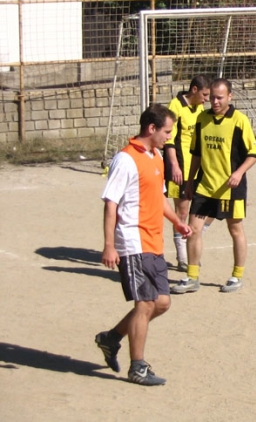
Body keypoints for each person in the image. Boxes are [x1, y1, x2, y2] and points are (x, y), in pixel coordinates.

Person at [95, 104, 192, 386]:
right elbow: (111, 204)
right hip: (133, 241)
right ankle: (137, 367)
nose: (169, 137)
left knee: (161, 303)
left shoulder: (156, 156)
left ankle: (111, 337)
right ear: (151, 128)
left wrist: (177, 221)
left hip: (153, 241)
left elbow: (159, 197)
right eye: (167, 131)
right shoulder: (125, 160)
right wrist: (109, 245)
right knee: (145, 303)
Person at [171, 78, 256, 294]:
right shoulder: (202, 119)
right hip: (204, 187)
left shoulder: (239, 121)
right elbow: (196, 154)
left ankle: (237, 276)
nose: (215, 102)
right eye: (212, 97)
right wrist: (190, 182)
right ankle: (192, 277)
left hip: (230, 189)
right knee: (193, 230)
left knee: (235, 230)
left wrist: (238, 173)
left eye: (219, 97)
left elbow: (254, 153)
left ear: (230, 96)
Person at [164, 75, 211, 272]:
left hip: (199, 166)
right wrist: (174, 166)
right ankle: (183, 256)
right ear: (194, 90)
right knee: (182, 212)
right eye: (205, 95)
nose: (207, 99)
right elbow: (169, 140)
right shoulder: (175, 106)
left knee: (209, 208)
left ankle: (193, 239)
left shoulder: (200, 108)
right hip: (181, 166)